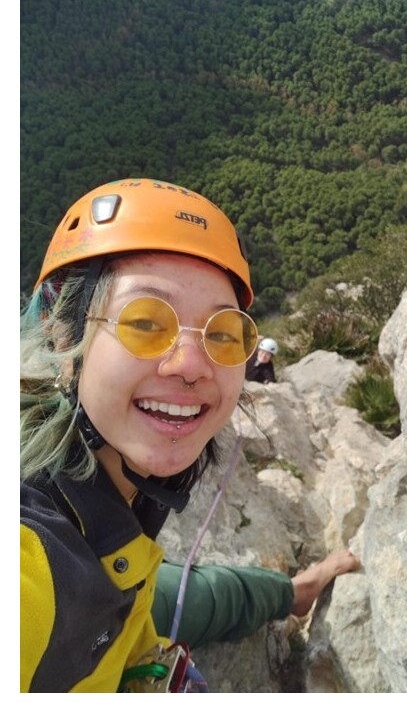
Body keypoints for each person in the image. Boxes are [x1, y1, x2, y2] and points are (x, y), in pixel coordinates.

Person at [20, 178, 360, 693]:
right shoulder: (28, 562)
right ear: (61, 333)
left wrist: (290, 592)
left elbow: (173, 596)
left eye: (223, 333)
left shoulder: (104, 520)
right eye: (145, 321)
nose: (191, 366)